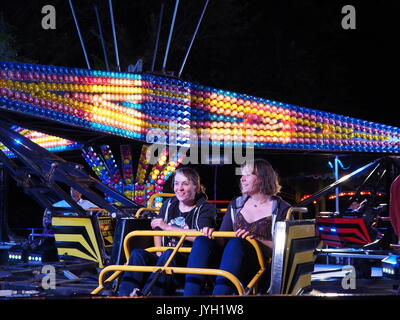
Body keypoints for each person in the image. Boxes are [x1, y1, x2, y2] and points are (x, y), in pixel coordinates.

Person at [183, 158, 291, 296]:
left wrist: (255, 239)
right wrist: (210, 233)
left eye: (248, 175)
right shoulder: (236, 204)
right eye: (242, 175)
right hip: (230, 263)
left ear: (263, 178)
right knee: (202, 240)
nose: (242, 179)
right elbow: (222, 239)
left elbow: (286, 250)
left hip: (260, 268)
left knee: (237, 242)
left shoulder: (282, 209)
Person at [117, 167, 217, 296]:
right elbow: (158, 228)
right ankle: (124, 295)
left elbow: (202, 236)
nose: (179, 188)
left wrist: (168, 227)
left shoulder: (205, 207)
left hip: (188, 262)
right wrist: (159, 252)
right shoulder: (169, 203)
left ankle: (148, 295)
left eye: (185, 184)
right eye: (176, 183)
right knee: (138, 254)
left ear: (196, 187)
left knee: (170, 253)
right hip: (165, 259)